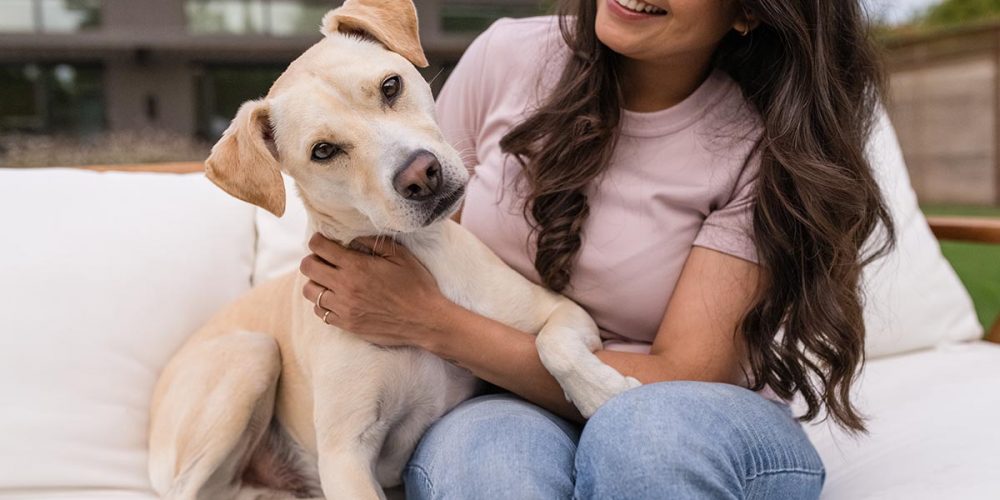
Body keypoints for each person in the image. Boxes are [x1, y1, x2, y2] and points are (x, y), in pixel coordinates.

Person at [299, 0, 894, 498]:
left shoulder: (766, 145)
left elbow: (682, 375)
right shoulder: (505, 56)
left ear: (746, 12)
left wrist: (434, 323)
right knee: (484, 457)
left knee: (640, 435)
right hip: (503, 396)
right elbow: (424, 231)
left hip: (688, 409)